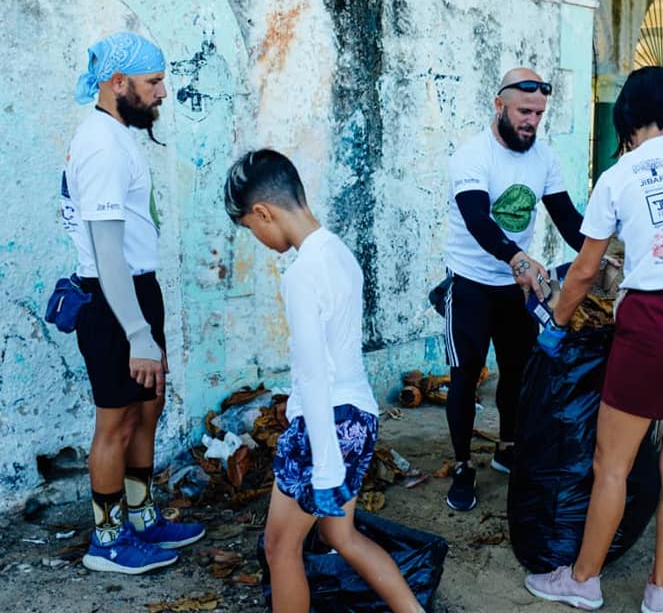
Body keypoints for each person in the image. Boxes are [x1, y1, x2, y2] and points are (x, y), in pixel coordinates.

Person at [522, 66, 663, 612]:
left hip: (653, 323)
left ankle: (583, 579)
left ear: (628, 121)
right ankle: (660, 588)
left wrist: (557, 324)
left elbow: (583, 271)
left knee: (611, 464)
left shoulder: (619, 175)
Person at [223, 150, 424, 613]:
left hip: (324, 426)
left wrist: (327, 467)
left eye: (253, 230)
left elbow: (313, 376)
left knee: (280, 549)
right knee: (340, 533)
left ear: (263, 212)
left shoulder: (300, 275)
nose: (258, 238)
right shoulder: (339, 252)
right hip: (359, 418)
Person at [62, 32, 204, 574]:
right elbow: (106, 251)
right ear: (117, 84)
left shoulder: (118, 135)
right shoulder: (100, 144)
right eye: (153, 82)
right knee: (116, 422)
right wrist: (139, 334)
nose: (163, 93)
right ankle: (107, 539)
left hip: (137, 289)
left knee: (148, 408)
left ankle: (142, 517)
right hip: (111, 299)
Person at [442, 67, 585, 511]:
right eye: (524, 111)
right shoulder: (472, 155)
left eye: (539, 113)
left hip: (514, 290)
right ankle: (463, 465)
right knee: (465, 378)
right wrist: (518, 257)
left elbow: (566, 217)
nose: (532, 121)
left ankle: (508, 448)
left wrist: (599, 252)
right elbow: (478, 219)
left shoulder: (544, 156)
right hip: (469, 283)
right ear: (499, 105)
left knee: (518, 373)